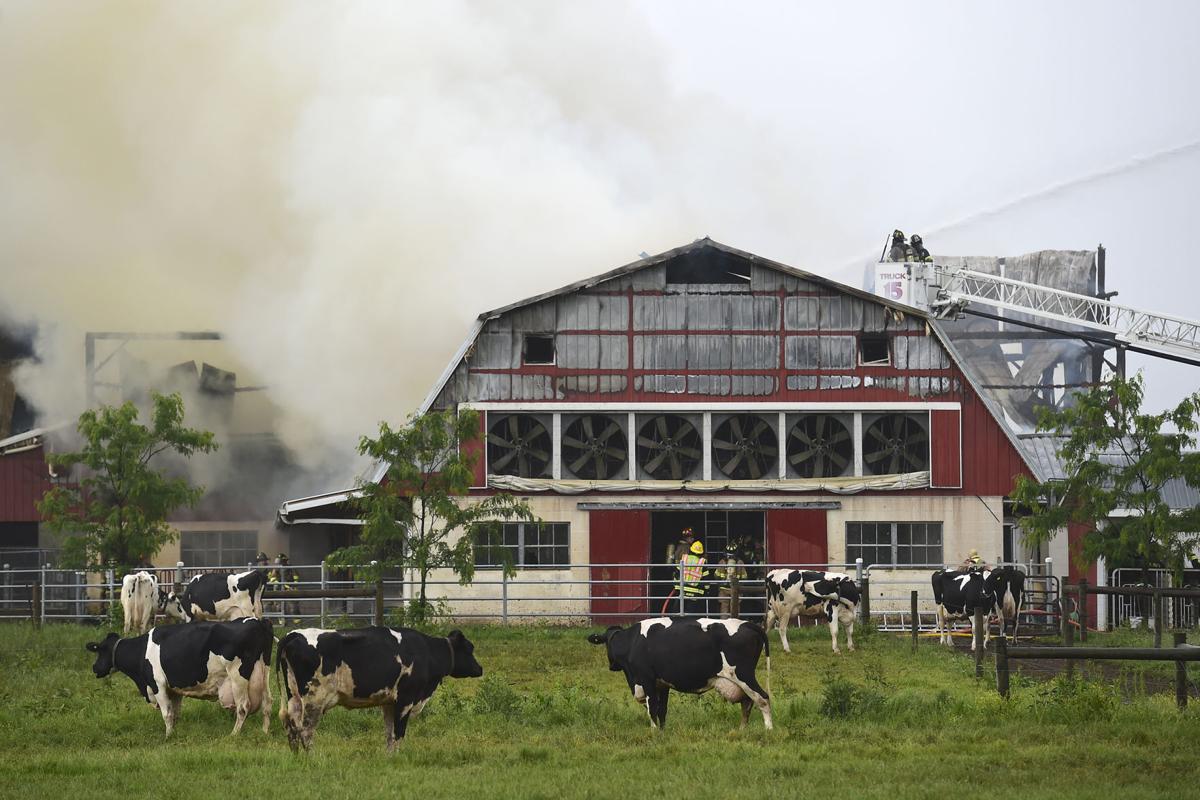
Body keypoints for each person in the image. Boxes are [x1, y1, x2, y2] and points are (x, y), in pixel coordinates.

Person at [717, 538, 750, 618]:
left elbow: (716, 575)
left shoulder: (722, 562)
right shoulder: (740, 562)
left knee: (724, 609)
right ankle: (734, 625)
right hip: (735, 589)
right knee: (735, 609)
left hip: (724, 589)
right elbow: (745, 577)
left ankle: (723, 625)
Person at [678, 539, 710, 616]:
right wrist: (707, 590)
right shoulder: (702, 562)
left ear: (691, 550)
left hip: (682, 590)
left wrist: (676, 586)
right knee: (691, 615)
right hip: (695, 593)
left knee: (678, 614)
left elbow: (676, 573)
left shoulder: (684, 558)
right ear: (701, 552)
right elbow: (706, 579)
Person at [272, 553, 301, 624]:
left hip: (290, 589)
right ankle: (282, 622)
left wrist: (293, 586)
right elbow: (272, 579)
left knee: (293, 606)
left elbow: (296, 578)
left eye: (281, 562)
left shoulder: (291, 569)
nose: (279, 564)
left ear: (285, 561)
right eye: (279, 562)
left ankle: (297, 622)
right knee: (279, 607)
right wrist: (277, 582)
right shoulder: (275, 570)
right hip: (279, 590)